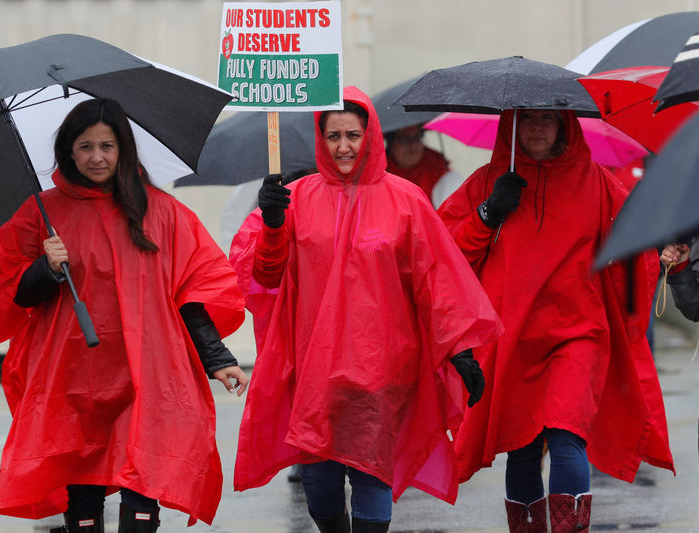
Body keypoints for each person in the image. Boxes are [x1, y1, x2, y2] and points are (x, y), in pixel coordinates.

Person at [229, 86, 503, 533]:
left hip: (382, 368)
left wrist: (461, 352)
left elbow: (437, 281)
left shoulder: (406, 200)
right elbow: (266, 276)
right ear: (320, 139)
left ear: (370, 135)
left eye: (352, 134)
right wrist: (274, 228)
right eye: (333, 135)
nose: (343, 146)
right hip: (314, 367)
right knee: (319, 487)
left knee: (373, 469)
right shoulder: (295, 198)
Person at [0, 98, 248, 533]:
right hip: (74, 375)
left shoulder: (161, 213)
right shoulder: (42, 214)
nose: (96, 157)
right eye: (85, 146)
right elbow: (12, 294)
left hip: (147, 372)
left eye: (107, 146)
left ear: (123, 149)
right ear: (68, 151)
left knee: (145, 478)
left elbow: (193, 289)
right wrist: (43, 269)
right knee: (82, 487)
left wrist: (217, 359)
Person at [437, 109, 674, 533]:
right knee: (523, 449)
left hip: (579, 335)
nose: (538, 128)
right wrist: (488, 213)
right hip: (511, 337)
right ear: (512, 126)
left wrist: (668, 247)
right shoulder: (488, 182)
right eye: (528, 119)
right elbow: (444, 256)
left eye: (548, 118)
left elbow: (635, 244)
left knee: (567, 439)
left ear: (565, 125)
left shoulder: (597, 181)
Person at [384, 123, 463, 208]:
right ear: (391, 143)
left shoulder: (436, 164)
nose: (412, 145)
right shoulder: (380, 169)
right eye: (404, 139)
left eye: (416, 137)